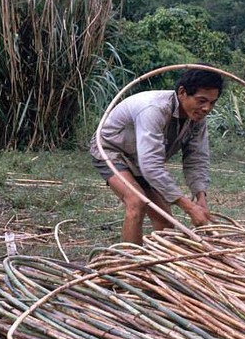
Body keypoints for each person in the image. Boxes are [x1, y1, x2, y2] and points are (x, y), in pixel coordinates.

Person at [90, 68, 224, 244]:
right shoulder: (154, 109)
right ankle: (131, 264)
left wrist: (200, 197)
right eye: (201, 101)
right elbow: (151, 167)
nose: (206, 108)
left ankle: (161, 264)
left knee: (165, 220)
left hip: (140, 159)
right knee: (136, 202)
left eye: (212, 103)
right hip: (111, 150)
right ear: (182, 92)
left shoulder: (197, 118)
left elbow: (196, 159)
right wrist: (189, 208)